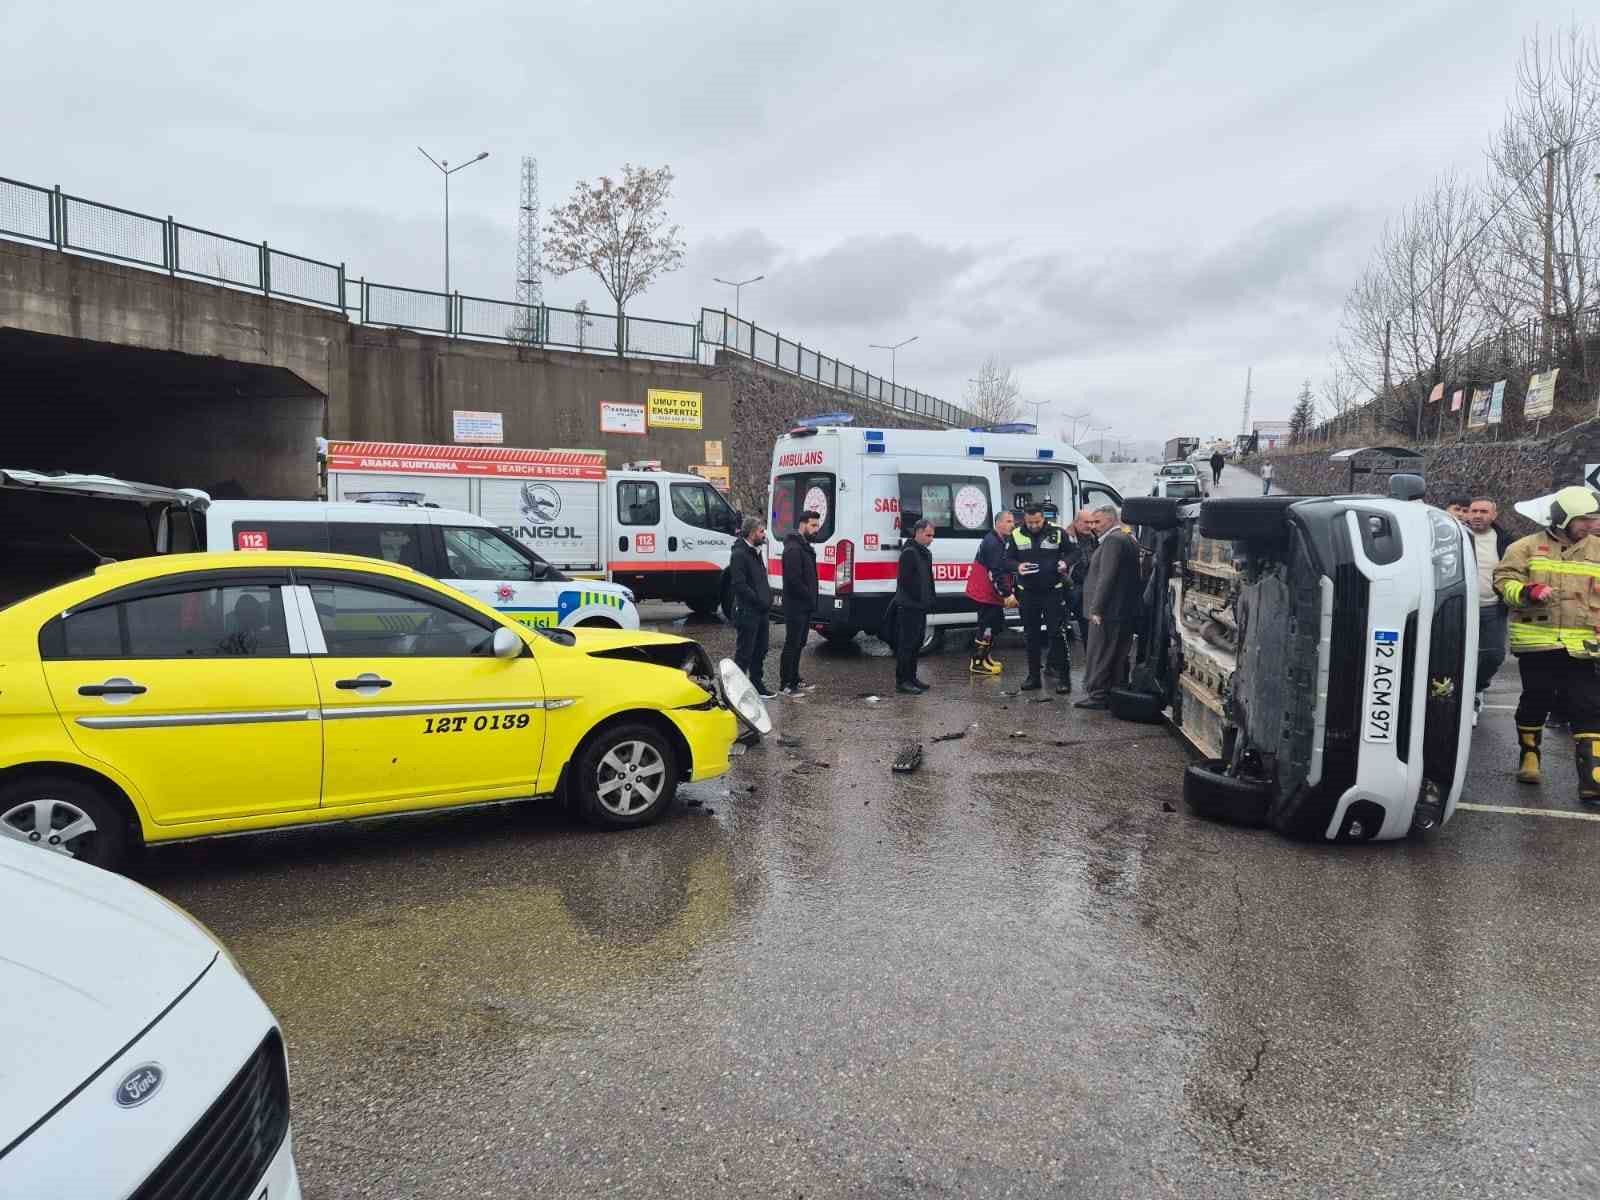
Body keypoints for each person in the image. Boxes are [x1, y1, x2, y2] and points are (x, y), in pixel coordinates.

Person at [1493, 486, 1600, 803]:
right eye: (1583, 519)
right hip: (1537, 642)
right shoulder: (1525, 547)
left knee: (1589, 705)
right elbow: (1503, 581)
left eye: (1593, 518)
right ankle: (1530, 757)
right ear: (1562, 518)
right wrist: (1527, 591)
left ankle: (1593, 780)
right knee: (1537, 699)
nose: (1590, 525)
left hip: (1584, 644)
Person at [1076, 505, 1142, 709]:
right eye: (1091, 522)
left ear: (1112, 520)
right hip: (1120, 610)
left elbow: (1107, 577)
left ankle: (1098, 696)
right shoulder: (1127, 538)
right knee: (1116, 653)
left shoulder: (1113, 540)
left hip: (1108, 610)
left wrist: (1096, 609)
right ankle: (1114, 693)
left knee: (1101, 653)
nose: (1094, 526)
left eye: (1098, 522)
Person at [1007, 503, 1076, 694]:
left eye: (1037, 521)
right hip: (1028, 593)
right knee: (1031, 636)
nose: (1034, 525)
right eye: (1030, 522)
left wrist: (1065, 562)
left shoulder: (1057, 532)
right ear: (1024, 519)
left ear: (1043, 518)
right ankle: (1033, 676)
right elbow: (1007, 559)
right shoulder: (1016, 534)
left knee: (1056, 635)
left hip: (1052, 592)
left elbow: (1074, 552)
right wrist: (1017, 566)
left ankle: (1064, 679)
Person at [1465, 497, 1512, 726]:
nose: (1477, 515)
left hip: (1493, 607)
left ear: (1494, 515)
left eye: (1483, 511)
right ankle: (1465, 699)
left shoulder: (1506, 541)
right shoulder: (1456, 535)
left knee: (1493, 656)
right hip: (1461, 608)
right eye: (1473, 510)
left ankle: (1476, 688)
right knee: (1457, 655)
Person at [729, 516, 776, 699]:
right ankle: (736, 691)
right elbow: (740, 585)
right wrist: (757, 600)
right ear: (751, 533)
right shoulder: (739, 554)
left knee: (761, 649)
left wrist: (768, 598)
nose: (763, 534)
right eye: (761, 531)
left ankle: (757, 684)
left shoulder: (756, 551)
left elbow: (760, 580)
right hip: (748, 612)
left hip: (761, 611)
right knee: (744, 653)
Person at [964, 510, 1016, 675]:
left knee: (994, 625)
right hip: (986, 592)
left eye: (1012, 521)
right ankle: (978, 662)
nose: (1012, 525)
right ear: (998, 523)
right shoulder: (993, 543)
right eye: (1008, 521)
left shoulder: (999, 540)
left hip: (989, 592)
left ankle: (985, 657)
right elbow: (996, 572)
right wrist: (1007, 594)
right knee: (986, 626)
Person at [778, 510, 821, 696]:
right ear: (803, 525)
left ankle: (795, 678)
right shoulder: (794, 549)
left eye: (817, 526)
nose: (816, 530)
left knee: (800, 643)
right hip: (796, 605)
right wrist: (808, 596)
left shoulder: (803, 546)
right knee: (792, 643)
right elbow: (793, 580)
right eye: (813, 525)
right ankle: (786, 683)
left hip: (804, 605)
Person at [894, 518, 936, 694]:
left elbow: (928, 579)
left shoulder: (924, 552)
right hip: (910, 606)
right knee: (907, 644)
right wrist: (919, 599)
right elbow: (906, 581)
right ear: (918, 533)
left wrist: (930, 598)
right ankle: (902, 681)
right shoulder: (909, 552)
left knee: (917, 643)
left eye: (933, 535)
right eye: (928, 535)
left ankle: (912, 677)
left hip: (920, 606)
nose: (931, 539)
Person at [1067, 507, 1099, 643]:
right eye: (1086, 522)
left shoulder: (1094, 538)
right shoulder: (1066, 538)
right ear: (1076, 522)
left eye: (1092, 522)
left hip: (1087, 590)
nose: (1090, 526)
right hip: (1070, 589)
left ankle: (1090, 661)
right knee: (1058, 629)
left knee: (1088, 629)